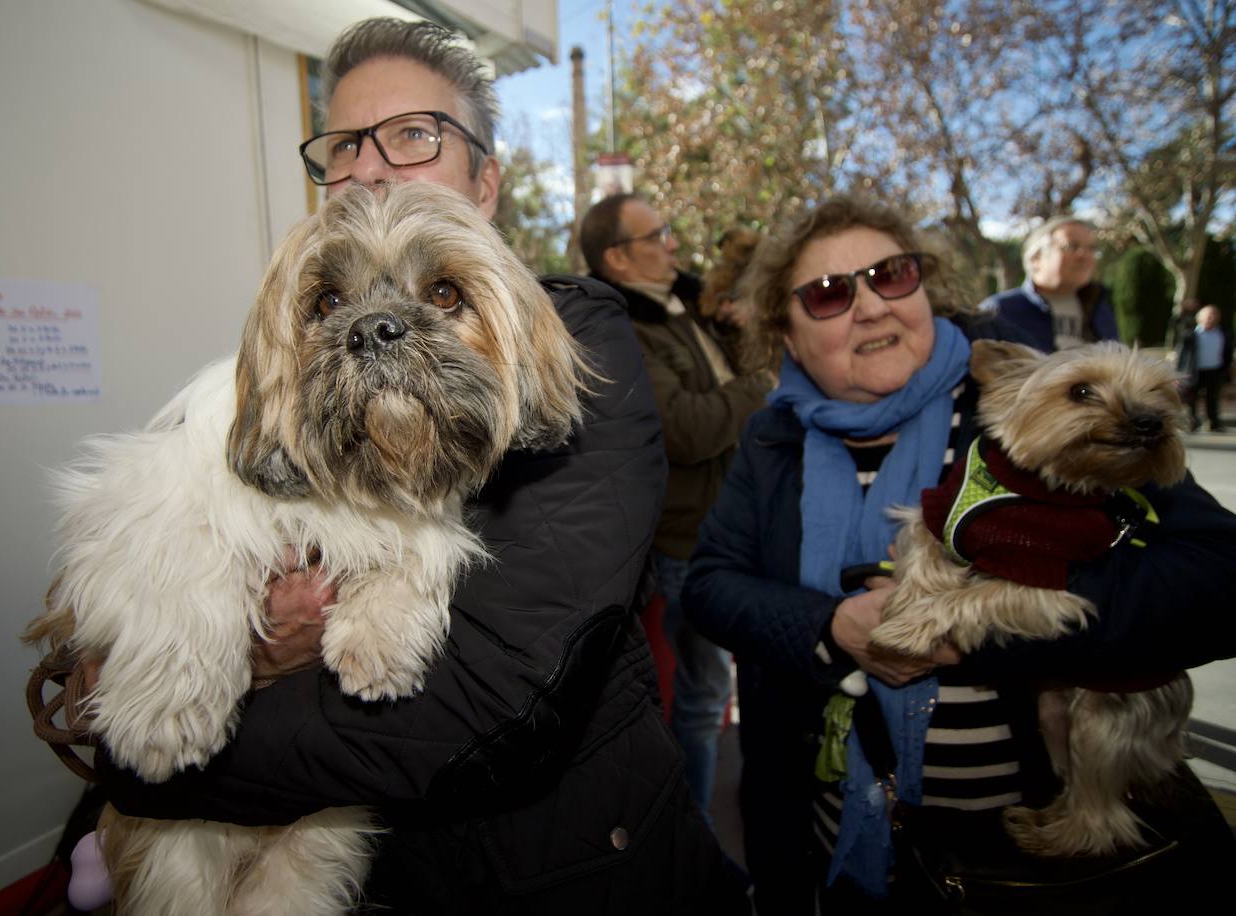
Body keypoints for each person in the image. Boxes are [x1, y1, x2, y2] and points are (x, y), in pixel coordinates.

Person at [91, 18, 750, 915]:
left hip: (574, 874)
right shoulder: (282, 367)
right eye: (344, 145)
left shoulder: (584, 335)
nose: (370, 167)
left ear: (485, 180)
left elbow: (499, 694)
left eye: (413, 136)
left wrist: (154, 772)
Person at [682, 195, 1236, 914]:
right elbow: (712, 587)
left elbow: (1219, 584)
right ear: (785, 334)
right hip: (834, 839)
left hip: (1039, 845)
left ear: (925, 288)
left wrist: (974, 626)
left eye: (892, 274)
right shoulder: (772, 437)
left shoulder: (1038, 403)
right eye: (828, 293)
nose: (873, 305)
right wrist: (832, 628)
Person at [579, 194, 773, 818]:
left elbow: (720, 390)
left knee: (744, 687)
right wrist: (762, 384)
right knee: (704, 693)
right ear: (617, 257)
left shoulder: (682, 306)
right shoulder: (623, 328)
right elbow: (687, 429)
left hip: (739, 524)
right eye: (656, 234)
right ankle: (697, 842)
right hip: (694, 540)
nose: (672, 244)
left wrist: (743, 334)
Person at [978, 215, 1117, 351]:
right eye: (1072, 246)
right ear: (1036, 258)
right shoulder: (998, 311)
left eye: (1092, 249)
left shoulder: (1101, 308)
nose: (1085, 255)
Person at [1178, 304, 1229, 432]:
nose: (1211, 318)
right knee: (1192, 399)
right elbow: (1182, 355)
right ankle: (1192, 422)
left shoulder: (1223, 333)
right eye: (1208, 316)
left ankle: (1213, 422)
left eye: (1214, 315)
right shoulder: (1190, 335)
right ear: (1199, 318)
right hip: (1195, 370)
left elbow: (1227, 352)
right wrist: (1179, 373)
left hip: (1215, 370)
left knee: (1213, 398)